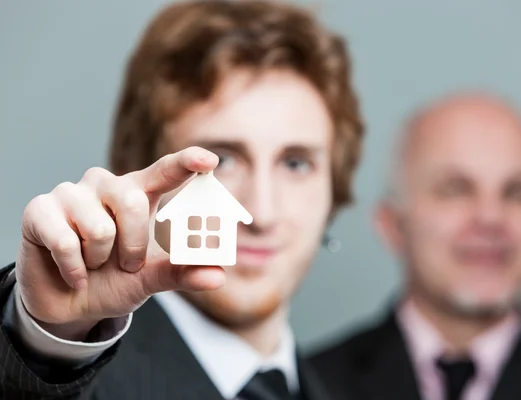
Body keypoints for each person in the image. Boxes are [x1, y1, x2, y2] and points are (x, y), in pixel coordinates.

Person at [0, 1, 364, 399]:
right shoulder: (76, 377)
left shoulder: (337, 388)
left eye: (295, 164)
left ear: (335, 187)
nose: (261, 212)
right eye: (221, 160)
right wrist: (46, 341)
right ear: (140, 173)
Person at [309, 92, 521, 400]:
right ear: (392, 224)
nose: (491, 217)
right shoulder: (309, 389)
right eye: (456, 189)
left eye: (517, 192)